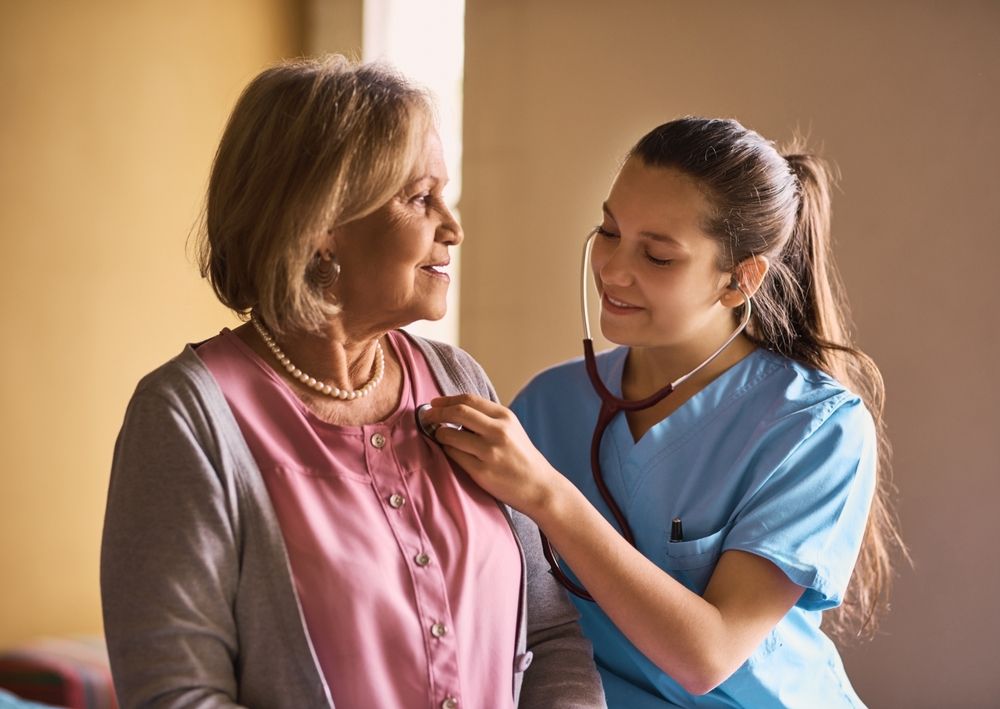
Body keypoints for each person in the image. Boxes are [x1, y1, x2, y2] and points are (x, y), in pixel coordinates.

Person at [100, 55, 606, 709]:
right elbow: (177, 695)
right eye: (420, 198)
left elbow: (551, 632)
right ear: (321, 227)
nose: (453, 227)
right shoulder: (187, 417)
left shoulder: (459, 379)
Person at [419, 117, 905, 707]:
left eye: (657, 256)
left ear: (739, 280)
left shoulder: (815, 427)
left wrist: (548, 495)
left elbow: (709, 656)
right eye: (608, 230)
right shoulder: (548, 406)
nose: (613, 270)